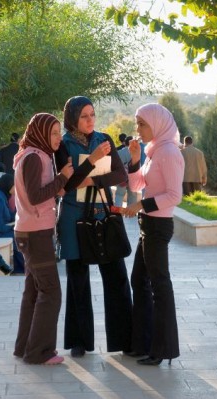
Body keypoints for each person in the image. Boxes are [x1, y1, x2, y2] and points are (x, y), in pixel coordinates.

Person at [54, 95, 133, 358]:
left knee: (117, 278)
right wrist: (93, 160)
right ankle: (79, 342)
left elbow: (120, 175)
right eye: (84, 116)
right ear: (73, 119)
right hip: (74, 219)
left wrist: (92, 181)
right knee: (78, 281)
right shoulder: (62, 146)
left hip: (103, 214)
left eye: (92, 115)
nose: (90, 120)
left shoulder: (105, 139)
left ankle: (125, 339)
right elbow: (66, 184)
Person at [122, 103, 184, 366]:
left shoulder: (169, 153)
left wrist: (141, 205)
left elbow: (174, 196)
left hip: (158, 227)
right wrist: (135, 160)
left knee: (160, 286)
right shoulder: (154, 151)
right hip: (147, 225)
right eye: (137, 123)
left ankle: (162, 349)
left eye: (142, 123)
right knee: (140, 280)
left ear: (157, 124)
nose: (137, 129)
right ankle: (144, 343)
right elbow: (137, 185)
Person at [12, 113, 74, 365]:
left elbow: (38, 193)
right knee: (50, 292)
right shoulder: (35, 157)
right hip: (35, 233)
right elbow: (36, 196)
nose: (59, 138)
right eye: (54, 133)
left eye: (59, 132)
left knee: (34, 291)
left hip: (30, 229)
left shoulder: (34, 155)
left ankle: (24, 346)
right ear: (41, 134)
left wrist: (59, 184)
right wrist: (62, 177)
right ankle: (39, 352)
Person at [114, 136, 139, 207]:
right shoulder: (137, 153)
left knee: (119, 195)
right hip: (133, 178)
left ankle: (117, 213)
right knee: (133, 197)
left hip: (122, 178)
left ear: (125, 143)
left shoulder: (119, 152)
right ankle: (131, 214)